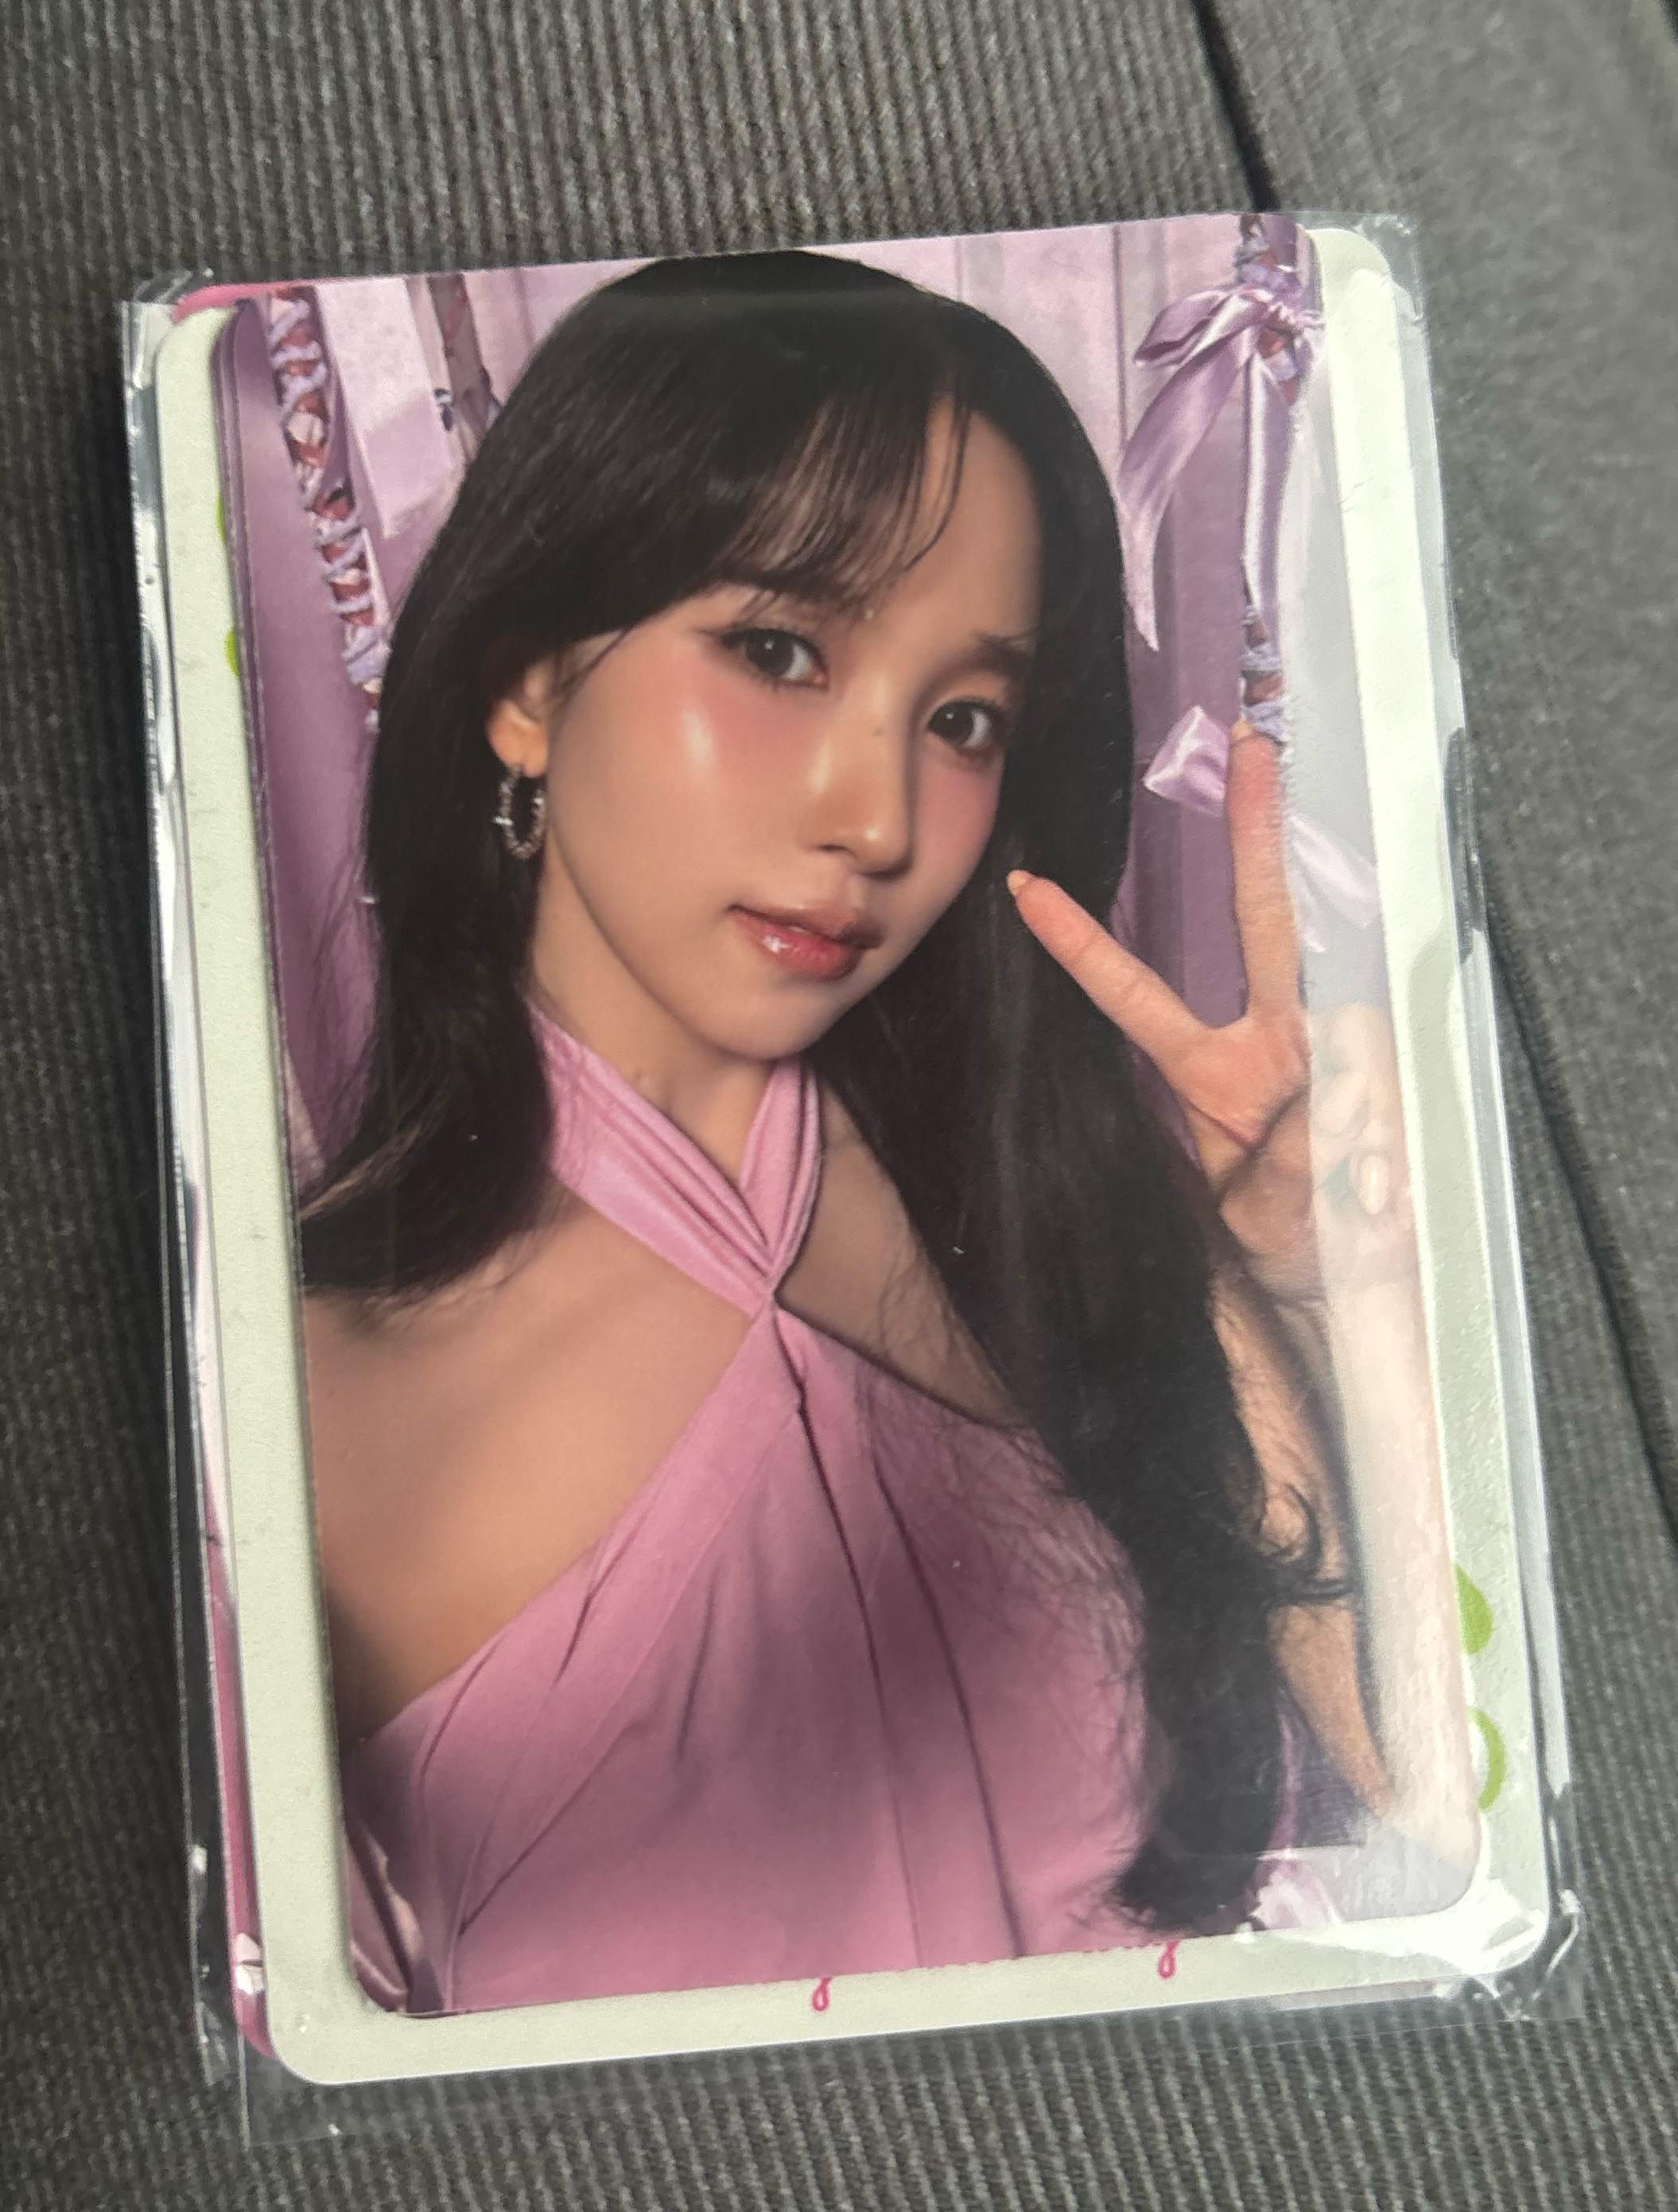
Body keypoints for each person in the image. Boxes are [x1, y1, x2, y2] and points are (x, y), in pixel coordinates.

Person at [297, 248, 1475, 2016]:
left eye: (961, 719)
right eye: (777, 649)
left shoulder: (1055, 1200)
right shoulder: (286, 1387)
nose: (876, 817)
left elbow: (1433, 1804)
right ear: (528, 682)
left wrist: (1340, 1293)